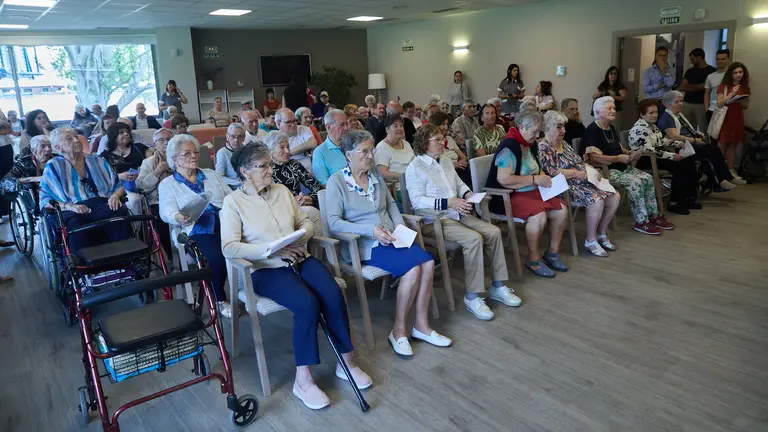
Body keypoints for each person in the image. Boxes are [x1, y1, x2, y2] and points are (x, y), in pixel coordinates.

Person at [220, 142, 371, 410]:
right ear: (245, 172)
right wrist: (269, 251)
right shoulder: (233, 203)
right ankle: (302, 380)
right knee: (307, 303)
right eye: (264, 165)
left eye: (269, 163)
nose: (270, 170)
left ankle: (345, 361)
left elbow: (303, 221)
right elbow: (229, 246)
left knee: (333, 294)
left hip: (299, 257)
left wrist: (303, 238)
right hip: (265, 269)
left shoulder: (281, 191)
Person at [326, 130, 446, 355]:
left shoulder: (374, 176)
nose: (371, 156)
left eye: (372, 150)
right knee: (412, 270)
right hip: (364, 244)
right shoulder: (337, 182)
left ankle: (421, 325)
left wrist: (399, 228)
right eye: (365, 151)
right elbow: (334, 223)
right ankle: (399, 331)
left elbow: (391, 205)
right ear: (348, 155)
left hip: (391, 237)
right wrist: (370, 230)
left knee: (428, 263)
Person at [406, 124, 518, 318]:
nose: (443, 143)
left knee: (493, 232)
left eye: (443, 138)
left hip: (457, 213)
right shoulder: (415, 167)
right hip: (435, 220)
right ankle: (473, 296)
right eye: (438, 140)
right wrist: (448, 202)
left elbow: (459, 185)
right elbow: (417, 201)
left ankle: (498, 286)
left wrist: (468, 194)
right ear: (424, 143)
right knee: (474, 239)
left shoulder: (446, 161)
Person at [485, 111, 569, 278]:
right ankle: (533, 259)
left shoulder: (530, 144)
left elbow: (536, 168)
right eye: (535, 131)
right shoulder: (509, 146)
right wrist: (534, 179)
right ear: (522, 127)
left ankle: (552, 253)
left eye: (539, 132)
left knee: (561, 210)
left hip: (532, 191)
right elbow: (504, 179)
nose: (538, 136)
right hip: (509, 195)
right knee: (539, 217)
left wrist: (543, 177)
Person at [159, 134, 234, 317]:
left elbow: (231, 196)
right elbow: (166, 211)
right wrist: (178, 216)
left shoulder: (210, 174)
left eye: (196, 152)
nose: (193, 156)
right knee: (218, 256)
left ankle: (250, 289)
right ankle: (219, 297)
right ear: (175, 159)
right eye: (187, 154)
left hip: (225, 220)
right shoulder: (168, 184)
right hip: (196, 228)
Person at [581, 96, 674, 235]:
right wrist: (617, 158)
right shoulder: (593, 130)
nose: (613, 111)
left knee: (647, 178)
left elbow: (618, 146)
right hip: (605, 171)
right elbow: (593, 157)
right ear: (598, 111)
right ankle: (641, 222)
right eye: (609, 108)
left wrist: (630, 152)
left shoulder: (610, 128)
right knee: (635, 183)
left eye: (614, 108)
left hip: (620, 167)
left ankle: (653, 216)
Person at [538, 111, 620, 256]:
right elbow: (551, 171)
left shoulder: (564, 144)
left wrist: (592, 170)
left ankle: (601, 233)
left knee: (615, 196)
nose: (563, 130)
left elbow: (579, 162)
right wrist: (576, 174)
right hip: (564, 186)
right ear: (547, 128)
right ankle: (590, 240)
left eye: (563, 126)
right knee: (597, 201)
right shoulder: (543, 147)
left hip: (583, 181)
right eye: (558, 127)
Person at [39, 128, 130, 253]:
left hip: (102, 204)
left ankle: (124, 258)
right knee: (75, 222)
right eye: (69, 139)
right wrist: (70, 207)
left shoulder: (98, 160)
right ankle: (85, 266)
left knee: (118, 210)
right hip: (72, 209)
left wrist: (115, 196)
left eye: (76, 136)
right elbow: (45, 200)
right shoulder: (53, 166)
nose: (77, 140)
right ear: (59, 148)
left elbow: (118, 186)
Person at [657, 90, 741, 189]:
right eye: (676, 102)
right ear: (668, 104)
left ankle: (726, 177)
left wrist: (696, 134)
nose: (680, 104)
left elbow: (687, 129)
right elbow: (675, 137)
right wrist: (695, 140)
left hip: (689, 142)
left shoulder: (679, 115)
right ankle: (720, 180)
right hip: (680, 147)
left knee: (714, 149)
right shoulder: (666, 118)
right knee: (709, 151)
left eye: (681, 101)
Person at [629, 98, 699, 215]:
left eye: (656, 112)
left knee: (689, 161)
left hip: (656, 155)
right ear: (642, 114)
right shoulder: (639, 129)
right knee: (679, 165)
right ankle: (675, 202)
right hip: (645, 159)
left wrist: (680, 144)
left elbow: (662, 141)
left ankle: (687, 198)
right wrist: (672, 155)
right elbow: (650, 150)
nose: (654, 115)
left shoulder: (653, 126)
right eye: (651, 113)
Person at [264, 131, 323, 235]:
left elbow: (316, 187)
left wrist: (310, 198)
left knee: (312, 214)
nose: (287, 151)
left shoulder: (294, 165)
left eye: (288, 146)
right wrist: (292, 202)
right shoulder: (265, 170)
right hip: (279, 210)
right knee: (313, 214)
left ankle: (320, 250)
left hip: (301, 206)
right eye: (282, 147)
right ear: (270, 151)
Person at [136, 128, 174, 257]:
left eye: (169, 139)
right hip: (158, 201)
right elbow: (141, 186)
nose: (166, 143)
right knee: (163, 223)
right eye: (161, 140)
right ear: (154, 143)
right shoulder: (148, 163)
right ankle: (173, 257)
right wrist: (158, 171)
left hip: (181, 198)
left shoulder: (181, 158)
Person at [99, 122, 149, 215]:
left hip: (144, 182)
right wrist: (119, 176)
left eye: (127, 131)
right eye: (121, 132)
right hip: (121, 187)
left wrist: (140, 172)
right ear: (113, 136)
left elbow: (152, 162)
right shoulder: (104, 156)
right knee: (134, 199)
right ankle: (137, 228)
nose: (126, 134)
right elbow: (102, 178)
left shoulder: (139, 147)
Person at [717, 62, 750, 177]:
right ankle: (719, 169)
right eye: (735, 72)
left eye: (740, 72)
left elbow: (746, 106)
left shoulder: (745, 87)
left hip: (737, 117)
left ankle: (730, 170)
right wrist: (731, 94)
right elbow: (719, 103)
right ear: (731, 74)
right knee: (723, 143)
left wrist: (740, 99)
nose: (738, 75)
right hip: (725, 117)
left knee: (733, 144)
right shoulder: (724, 86)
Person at [375, 114, 415, 191]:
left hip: (414, 182)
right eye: (395, 126)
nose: (400, 128)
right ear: (387, 130)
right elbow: (382, 174)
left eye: (401, 125)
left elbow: (415, 163)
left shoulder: (406, 144)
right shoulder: (382, 148)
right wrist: (405, 176)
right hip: (399, 188)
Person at [428, 111, 470, 184]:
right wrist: (453, 165)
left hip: (458, 169)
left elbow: (463, 157)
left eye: (447, 124)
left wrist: (460, 163)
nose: (446, 127)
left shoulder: (449, 139)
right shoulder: (432, 143)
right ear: (435, 125)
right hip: (444, 173)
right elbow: (435, 165)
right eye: (443, 124)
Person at [680, 49, 716, 131]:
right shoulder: (690, 71)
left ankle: (704, 143)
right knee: (686, 127)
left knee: (703, 128)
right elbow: (682, 86)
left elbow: (704, 87)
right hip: (687, 102)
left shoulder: (712, 71)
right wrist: (697, 87)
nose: (691, 61)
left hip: (702, 104)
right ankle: (689, 143)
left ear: (699, 57)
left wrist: (690, 86)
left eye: (693, 59)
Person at [313, 109, 349, 185]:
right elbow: (324, 184)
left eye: (346, 124)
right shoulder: (320, 152)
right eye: (342, 124)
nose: (346, 128)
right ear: (328, 127)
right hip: (339, 194)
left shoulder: (353, 145)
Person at [275, 108, 316, 173]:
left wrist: (289, 153)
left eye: (294, 121)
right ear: (278, 124)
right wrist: (303, 149)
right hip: (288, 173)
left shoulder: (303, 129)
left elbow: (313, 143)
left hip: (309, 172)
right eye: (288, 122)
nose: (293, 124)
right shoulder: (275, 138)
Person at [704, 49, 731, 134]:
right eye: (718, 59)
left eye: (723, 59)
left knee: (726, 136)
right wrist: (706, 109)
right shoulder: (711, 76)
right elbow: (707, 93)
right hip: (713, 109)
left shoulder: (732, 75)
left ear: (728, 59)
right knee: (713, 135)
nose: (720, 61)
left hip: (728, 110)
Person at [216, 123, 247, 188]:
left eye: (240, 136)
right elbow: (219, 177)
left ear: (244, 138)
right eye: (233, 136)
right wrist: (239, 183)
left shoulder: (247, 150)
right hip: (234, 187)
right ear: (227, 137)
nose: (236, 140)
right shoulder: (222, 153)